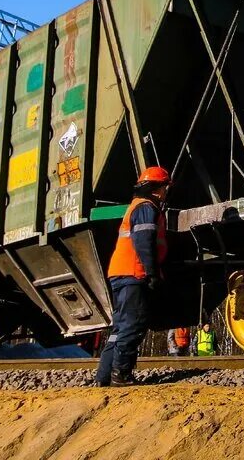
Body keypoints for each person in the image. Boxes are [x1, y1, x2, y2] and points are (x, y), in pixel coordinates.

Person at [95, 166, 170, 387]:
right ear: (158, 188)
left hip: (120, 272)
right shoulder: (147, 207)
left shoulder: (136, 206)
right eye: (165, 187)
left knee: (119, 328)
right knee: (133, 324)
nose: (166, 192)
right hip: (133, 272)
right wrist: (152, 272)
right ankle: (121, 375)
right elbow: (144, 241)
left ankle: (104, 376)